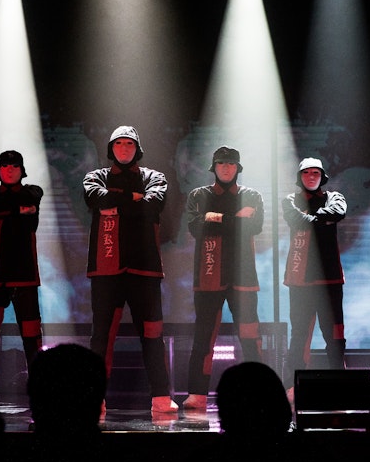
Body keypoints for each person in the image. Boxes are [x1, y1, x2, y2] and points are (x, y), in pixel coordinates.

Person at [82, 125, 178, 414]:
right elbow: (96, 198)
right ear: (111, 148)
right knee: (101, 336)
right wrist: (134, 198)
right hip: (106, 268)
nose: (124, 149)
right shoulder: (94, 177)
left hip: (144, 268)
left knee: (152, 333)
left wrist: (117, 201)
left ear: (137, 149)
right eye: (119, 144)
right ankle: (95, 397)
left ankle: (161, 396)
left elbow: (153, 205)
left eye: (129, 144)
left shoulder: (155, 177)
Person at [181, 145, 265, 411]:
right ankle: (197, 394)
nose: (226, 168)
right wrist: (234, 219)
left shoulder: (252, 195)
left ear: (238, 168)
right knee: (203, 336)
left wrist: (214, 219)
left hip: (244, 275)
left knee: (251, 336)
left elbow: (255, 226)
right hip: (208, 275)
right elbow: (195, 227)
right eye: (221, 164)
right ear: (214, 168)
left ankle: (259, 391)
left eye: (230, 164)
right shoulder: (199, 194)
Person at [0, 149, 45, 401]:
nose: (10, 169)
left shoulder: (33, 191)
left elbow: (16, 206)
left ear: (22, 170)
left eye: (15, 166)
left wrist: (7, 210)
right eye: (5, 165)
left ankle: (39, 389)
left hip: (24, 276)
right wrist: (19, 210)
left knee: (32, 336)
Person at [280, 157, 348, 403]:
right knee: (299, 335)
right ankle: (293, 384)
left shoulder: (335, 197)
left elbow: (338, 212)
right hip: (300, 279)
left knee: (335, 334)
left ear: (322, 176)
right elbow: (294, 218)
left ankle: (340, 381)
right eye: (306, 172)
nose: (311, 176)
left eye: (315, 172)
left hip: (330, 278)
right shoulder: (290, 199)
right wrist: (321, 221)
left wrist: (309, 219)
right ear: (300, 177)